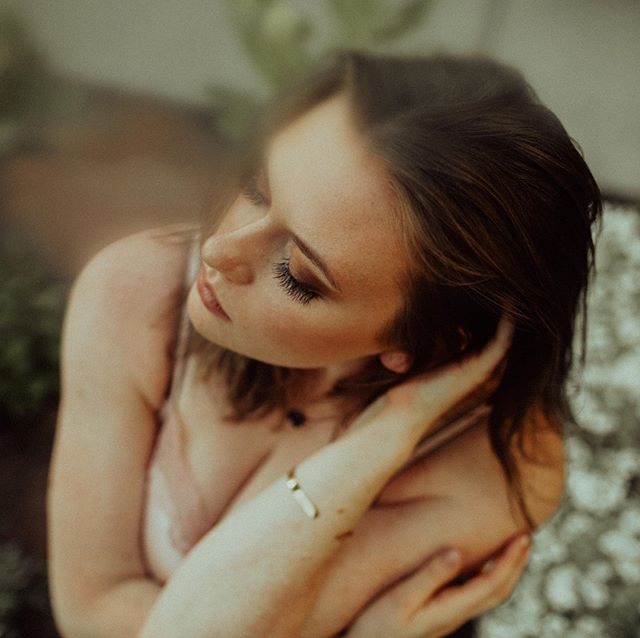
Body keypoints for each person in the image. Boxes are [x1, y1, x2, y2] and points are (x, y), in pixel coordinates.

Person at [47, 50, 601, 637]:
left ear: (425, 341)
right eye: (258, 189)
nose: (218, 252)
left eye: (296, 275)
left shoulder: (495, 465)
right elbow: (89, 611)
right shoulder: (135, 292)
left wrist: (385, 436)